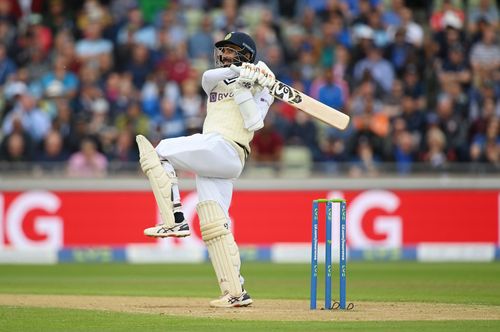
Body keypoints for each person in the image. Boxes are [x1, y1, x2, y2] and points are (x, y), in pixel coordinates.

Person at [136, 31, 275, 308]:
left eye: (231, 51)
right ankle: (236, 292)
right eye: (222, 51)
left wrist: (253, 85)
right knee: (213, 223)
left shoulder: (262, 85)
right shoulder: (213, 80)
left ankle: (173, 219)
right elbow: (208, 79)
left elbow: (254, 124)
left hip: (228, 148)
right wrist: (245, 73)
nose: (224, 55)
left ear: (246, 52)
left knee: (160, 150)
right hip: (215, 157)